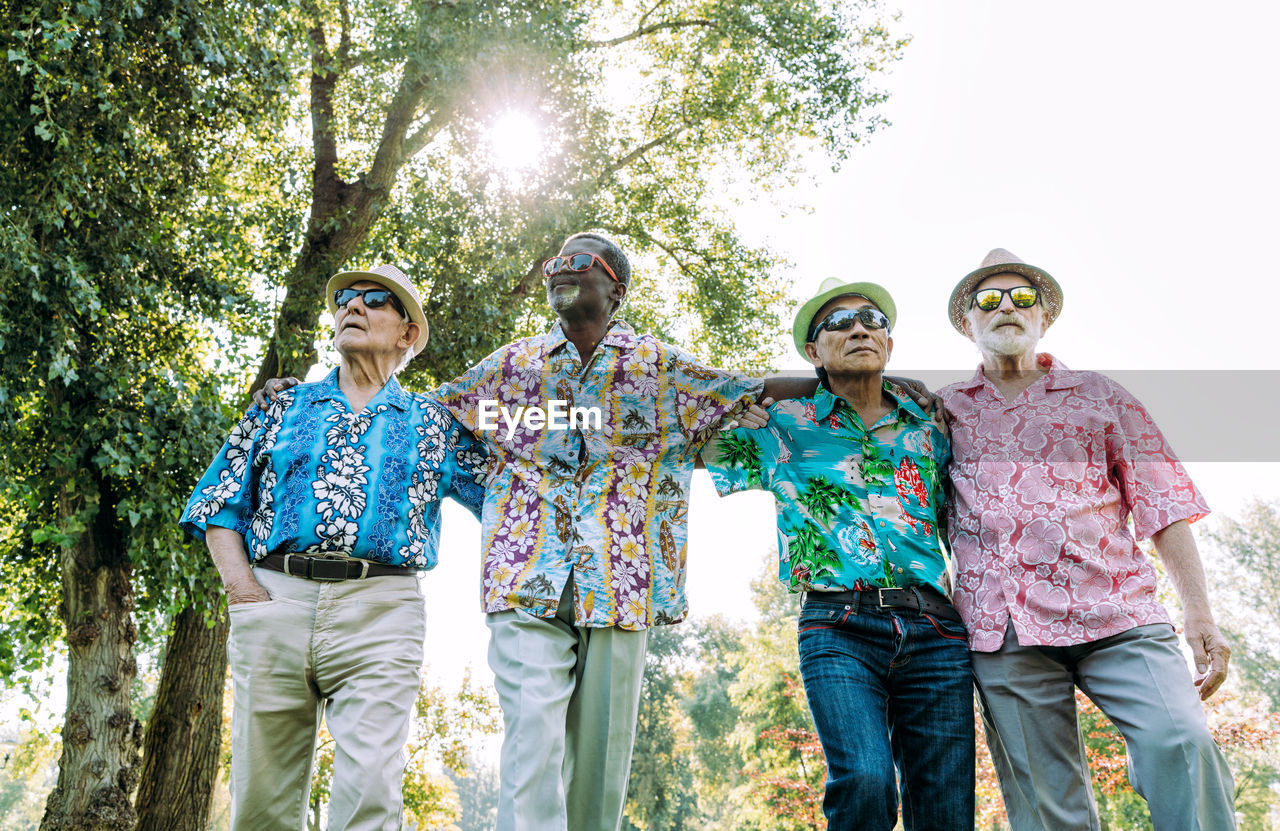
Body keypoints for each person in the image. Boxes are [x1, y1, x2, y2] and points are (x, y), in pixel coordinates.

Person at [180, 265, 487, 831]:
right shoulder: (280, 404)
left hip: (382, 611)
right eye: (345, 299)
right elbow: (217, 505)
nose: (353, 306)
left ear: (407, 335)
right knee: (261, 802)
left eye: (375, 300)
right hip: (275, 601)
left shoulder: (435, 422)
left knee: (370, 789)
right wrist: (245, 594)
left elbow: (510, 497)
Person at [942, 248, 1235, 830]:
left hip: (1119, 616)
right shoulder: (940, 412)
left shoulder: (1101, 396)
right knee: (1050, 812)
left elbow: (1165, 504)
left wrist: (1200, 614)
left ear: (1044, 319)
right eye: (988, 299)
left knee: (1180, 743)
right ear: (966, 322)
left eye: (1022, 298)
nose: (1006, 307)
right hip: (1003, 631)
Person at [702, 278, 973, 830]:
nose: (858, 329)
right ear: (813, 350)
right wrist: (765, 397)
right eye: (838, 324)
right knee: (865, 783)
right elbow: (684, 422)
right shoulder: (780, 427)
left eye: (872, 321)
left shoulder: (932, 428)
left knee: (945, 807)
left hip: (938, 632)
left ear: (890, 345)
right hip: (839, 624)